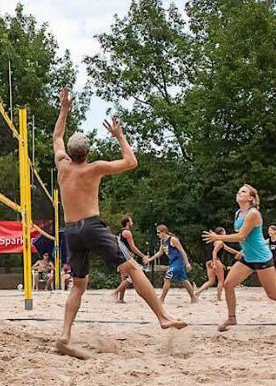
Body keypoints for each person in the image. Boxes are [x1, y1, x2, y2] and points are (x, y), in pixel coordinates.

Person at [53, 88, 186, 359]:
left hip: (71, 231)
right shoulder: (94, 168)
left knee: (78, 285)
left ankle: (65, 336)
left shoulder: (62, 166)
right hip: (91, 226)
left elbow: (56, 136)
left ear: (69, 152)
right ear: (87, 153)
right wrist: (119, 135)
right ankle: (162, 316)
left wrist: (64, 109)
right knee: (133, 268)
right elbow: (131, 161)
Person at [202, 184, 276, 332]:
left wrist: (217, 237)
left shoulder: (253, 214)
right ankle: (231, 317)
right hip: (248, 257)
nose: (239, 193)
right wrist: (242, 250)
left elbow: (241, 236)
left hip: (261, 258)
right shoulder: (238, 213)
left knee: (273, 294)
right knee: (228, 284)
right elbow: (246, 238)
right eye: (239, 191)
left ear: (251, 198)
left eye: (244, 191)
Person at [144, 225, 197, 304]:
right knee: (184, 280)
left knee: (167, 277)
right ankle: (193, 298)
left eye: (158, 233)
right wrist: (150, 259)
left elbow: (182, 251)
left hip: (178, 261)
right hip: (172, 262)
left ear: (164, 232)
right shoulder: (163, 241)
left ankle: (161, 299)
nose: (157, 235)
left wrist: (187, 263)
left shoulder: (173, 240)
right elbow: (160, 253)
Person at [194, 227, 239, 301]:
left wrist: (238, 253)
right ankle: (219, 297)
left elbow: (229, 249)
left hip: (208, 262)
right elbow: (214, 252)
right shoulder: (220, 242)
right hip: (215, 261)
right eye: (224, 231)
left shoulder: (215, 241)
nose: (225, 232)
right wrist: (214, 264)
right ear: (221, 233)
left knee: (211, 281)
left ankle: (198, 292)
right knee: (221, 280)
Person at [111, 215, 149, 303]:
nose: (133, 223)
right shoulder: (127, 233)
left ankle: (120, 298)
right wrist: (143, 256)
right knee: (133, 276)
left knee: (124, 277)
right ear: (127, 223)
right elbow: (133, 247)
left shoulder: (119, 232)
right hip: (125, 257)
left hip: (119, 256)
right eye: (131, 221)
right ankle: (115, 293)